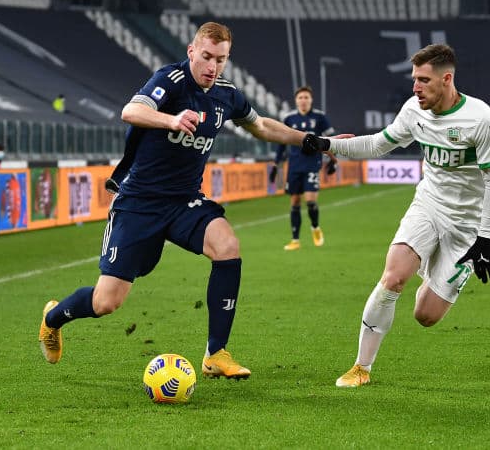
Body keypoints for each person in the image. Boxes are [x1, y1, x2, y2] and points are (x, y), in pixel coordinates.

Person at [38, 22, 317, 380]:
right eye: (206, 57)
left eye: (221, 59)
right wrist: (170, 119)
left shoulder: (226, 94)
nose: (212, 67)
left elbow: (261, 126)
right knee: (107, 301)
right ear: (191, 52)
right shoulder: (169, 80)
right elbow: (131, 111)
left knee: (227, 245)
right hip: (139, 203)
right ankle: (52, 318)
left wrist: (310, 140)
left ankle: (216, 353)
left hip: (184, 201)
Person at [301, 44, 490, 388]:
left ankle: (433, 272)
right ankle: (361, 368)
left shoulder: (481, 120)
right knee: (393, 277)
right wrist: (328, 145)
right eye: (414, 79)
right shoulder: (414, 110)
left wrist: (485, 238)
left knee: (425, 315)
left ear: (447, 79)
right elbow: (379, 144)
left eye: (424, 80)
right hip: (429, 205)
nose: (416, 87)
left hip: (467, 227)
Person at [269, 86, 336, 250]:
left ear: (311, 100)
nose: (303, 100)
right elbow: (281, 141)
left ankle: (315, 228)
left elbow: (331, 139)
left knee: (311, 201)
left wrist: (333, 159)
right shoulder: (289, 118)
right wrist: (276, 165)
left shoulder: (319, 117)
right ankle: (295, 240)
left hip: (312, 164)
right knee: (295, 202)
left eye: (306, 97)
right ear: (296, 100)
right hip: (294, 166)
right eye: (300, 98)